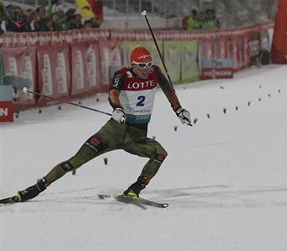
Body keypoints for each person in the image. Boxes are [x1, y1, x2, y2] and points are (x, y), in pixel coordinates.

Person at [12, 46, 192, 202]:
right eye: (142, 65)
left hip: (136, 136)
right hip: (112, 132)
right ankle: (35, 189)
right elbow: (113, 93)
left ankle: (134, 189)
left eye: (149, 64)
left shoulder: (155, 73)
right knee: (74, 162)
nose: (146, 69)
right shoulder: (123, 74)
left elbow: (168, 89)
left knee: (160, 153)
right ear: (133, 64)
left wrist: (179, 110)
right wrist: (118, 108)